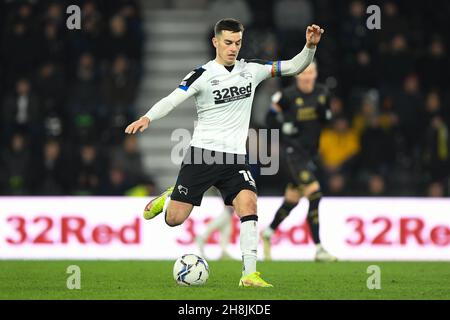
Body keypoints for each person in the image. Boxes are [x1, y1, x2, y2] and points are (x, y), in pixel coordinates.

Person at [125, 19, 324, 287]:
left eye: (238, 43)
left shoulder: (253, 69)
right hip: (203, 156)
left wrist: (309, 47)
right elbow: (173, 98)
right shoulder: (202, 74)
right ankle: (172, 195)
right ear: (215, 42)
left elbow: (292, 66)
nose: (233, 48)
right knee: (174, 219)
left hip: (234, 159)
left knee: (249, 205)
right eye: (228, 42)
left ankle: (249, 274)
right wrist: (148, 117)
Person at [262, 61, 337, 262]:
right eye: (303, 73)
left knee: (292, 199)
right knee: (315, 192)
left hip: (311, 153)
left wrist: (325, 114)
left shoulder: (322, 93)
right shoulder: (287, 96)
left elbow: (328, 120)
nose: (307, 77)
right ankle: (319, 248)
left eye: (311, 72)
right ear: (296, 75)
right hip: (293, 152)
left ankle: (268, 232)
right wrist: (282, 124)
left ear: (315, 74)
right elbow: (268, 118)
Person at [195, 188, 235, 260]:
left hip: (229, 213)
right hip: (227, 212)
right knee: (214, 226)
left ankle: (223, 252)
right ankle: (202, 238)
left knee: (226, 232)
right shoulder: (225, 188)